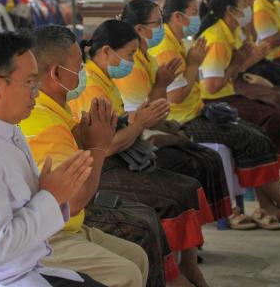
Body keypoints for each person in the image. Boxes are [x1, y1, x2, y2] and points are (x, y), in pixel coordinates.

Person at [0, 32, 106, 287]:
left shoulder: (8, 131)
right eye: (30, 83)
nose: (36, 93)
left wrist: (47, 191)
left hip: (21, 271)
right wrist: (51, 196)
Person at [68, 19, 216, 287]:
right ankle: (172, 275)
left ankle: (189, 266)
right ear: (106, 52)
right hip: (103, 167)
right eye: (129, 55)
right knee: (162, 203)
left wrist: (146, 112)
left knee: (188, 185)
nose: (133, 61)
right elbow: (107, 145)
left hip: (118, 158)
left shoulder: (106, 79)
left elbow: (124, 123)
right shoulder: (91, 85)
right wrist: (140, 124)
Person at [148, 0, 280, 226]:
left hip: (197, 110)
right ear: (179, 16)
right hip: (182, 119)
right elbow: (178, 97)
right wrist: (195, 64)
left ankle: (270, 206)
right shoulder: (167, 47)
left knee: (258, 132)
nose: (198, 16)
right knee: (251, 136)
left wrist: (238, 62)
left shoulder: (178, 41)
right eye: (193, 13)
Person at [21, 25, 157, 287]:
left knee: (136, 256)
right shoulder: (44, 122)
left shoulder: (56, 112)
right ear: (57, 73)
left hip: (68, 227)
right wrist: (97, 147)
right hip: (47, 236)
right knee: (126, 273)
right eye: (78, 67)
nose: (83, 72)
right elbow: (72, 202)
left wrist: (83, 142)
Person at [114, 0, 232, 222]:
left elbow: (154, 112)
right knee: (191, 170)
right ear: (139, 29)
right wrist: (188, 69)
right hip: (138, 140)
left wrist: (160, 86)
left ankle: (212, 224)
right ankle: (193, 237)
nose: (162, 27)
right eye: (158, 22)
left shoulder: (145, 57)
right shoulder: (132, 65)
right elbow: (140, 118)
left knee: (207, 158)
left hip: (153, 128)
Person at [196, 0, 280, 187]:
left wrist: (249, 58)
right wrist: (241, 62)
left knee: (278, 108)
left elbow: (235, 68)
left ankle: (274, 180)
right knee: (272, 118)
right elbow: (212, 86)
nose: (249, 8)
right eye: (244, 4)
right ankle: (267, 183)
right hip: (213, 101)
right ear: (230, 10)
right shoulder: (217, 38)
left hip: (227, 91)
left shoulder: (231, 30)